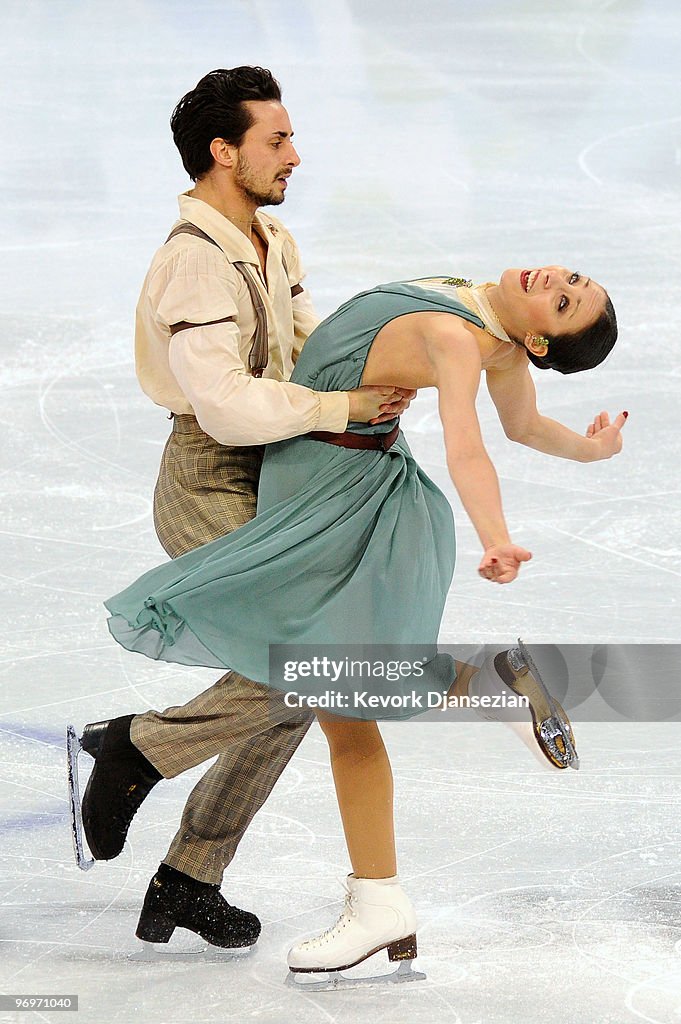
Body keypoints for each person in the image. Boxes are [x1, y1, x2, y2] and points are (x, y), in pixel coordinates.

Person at [100, 264, 625, 975]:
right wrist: (594, 450)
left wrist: (496, 536)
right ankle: (379, 898)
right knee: (347, 703)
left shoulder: (458, 336)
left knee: (339, 689)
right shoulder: (478, 318)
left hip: (329, 492)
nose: (553, 281)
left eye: (563, 303)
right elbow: (525, 424)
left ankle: (381, 880)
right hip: (358, 476)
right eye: (571, 279)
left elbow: (472, 444)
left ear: (536, 340)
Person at [78, 66, 415, 953]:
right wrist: (342, 410)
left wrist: (371, 378)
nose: (295, 156)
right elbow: (224, 405)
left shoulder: (271, 240)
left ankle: (189, 876)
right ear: (222, 152)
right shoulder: (190, 262)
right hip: (205, 479)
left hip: (277, 472)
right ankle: (139, 747)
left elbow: (303, 351)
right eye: (277, 140)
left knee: (307, 682)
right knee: (298, 667)